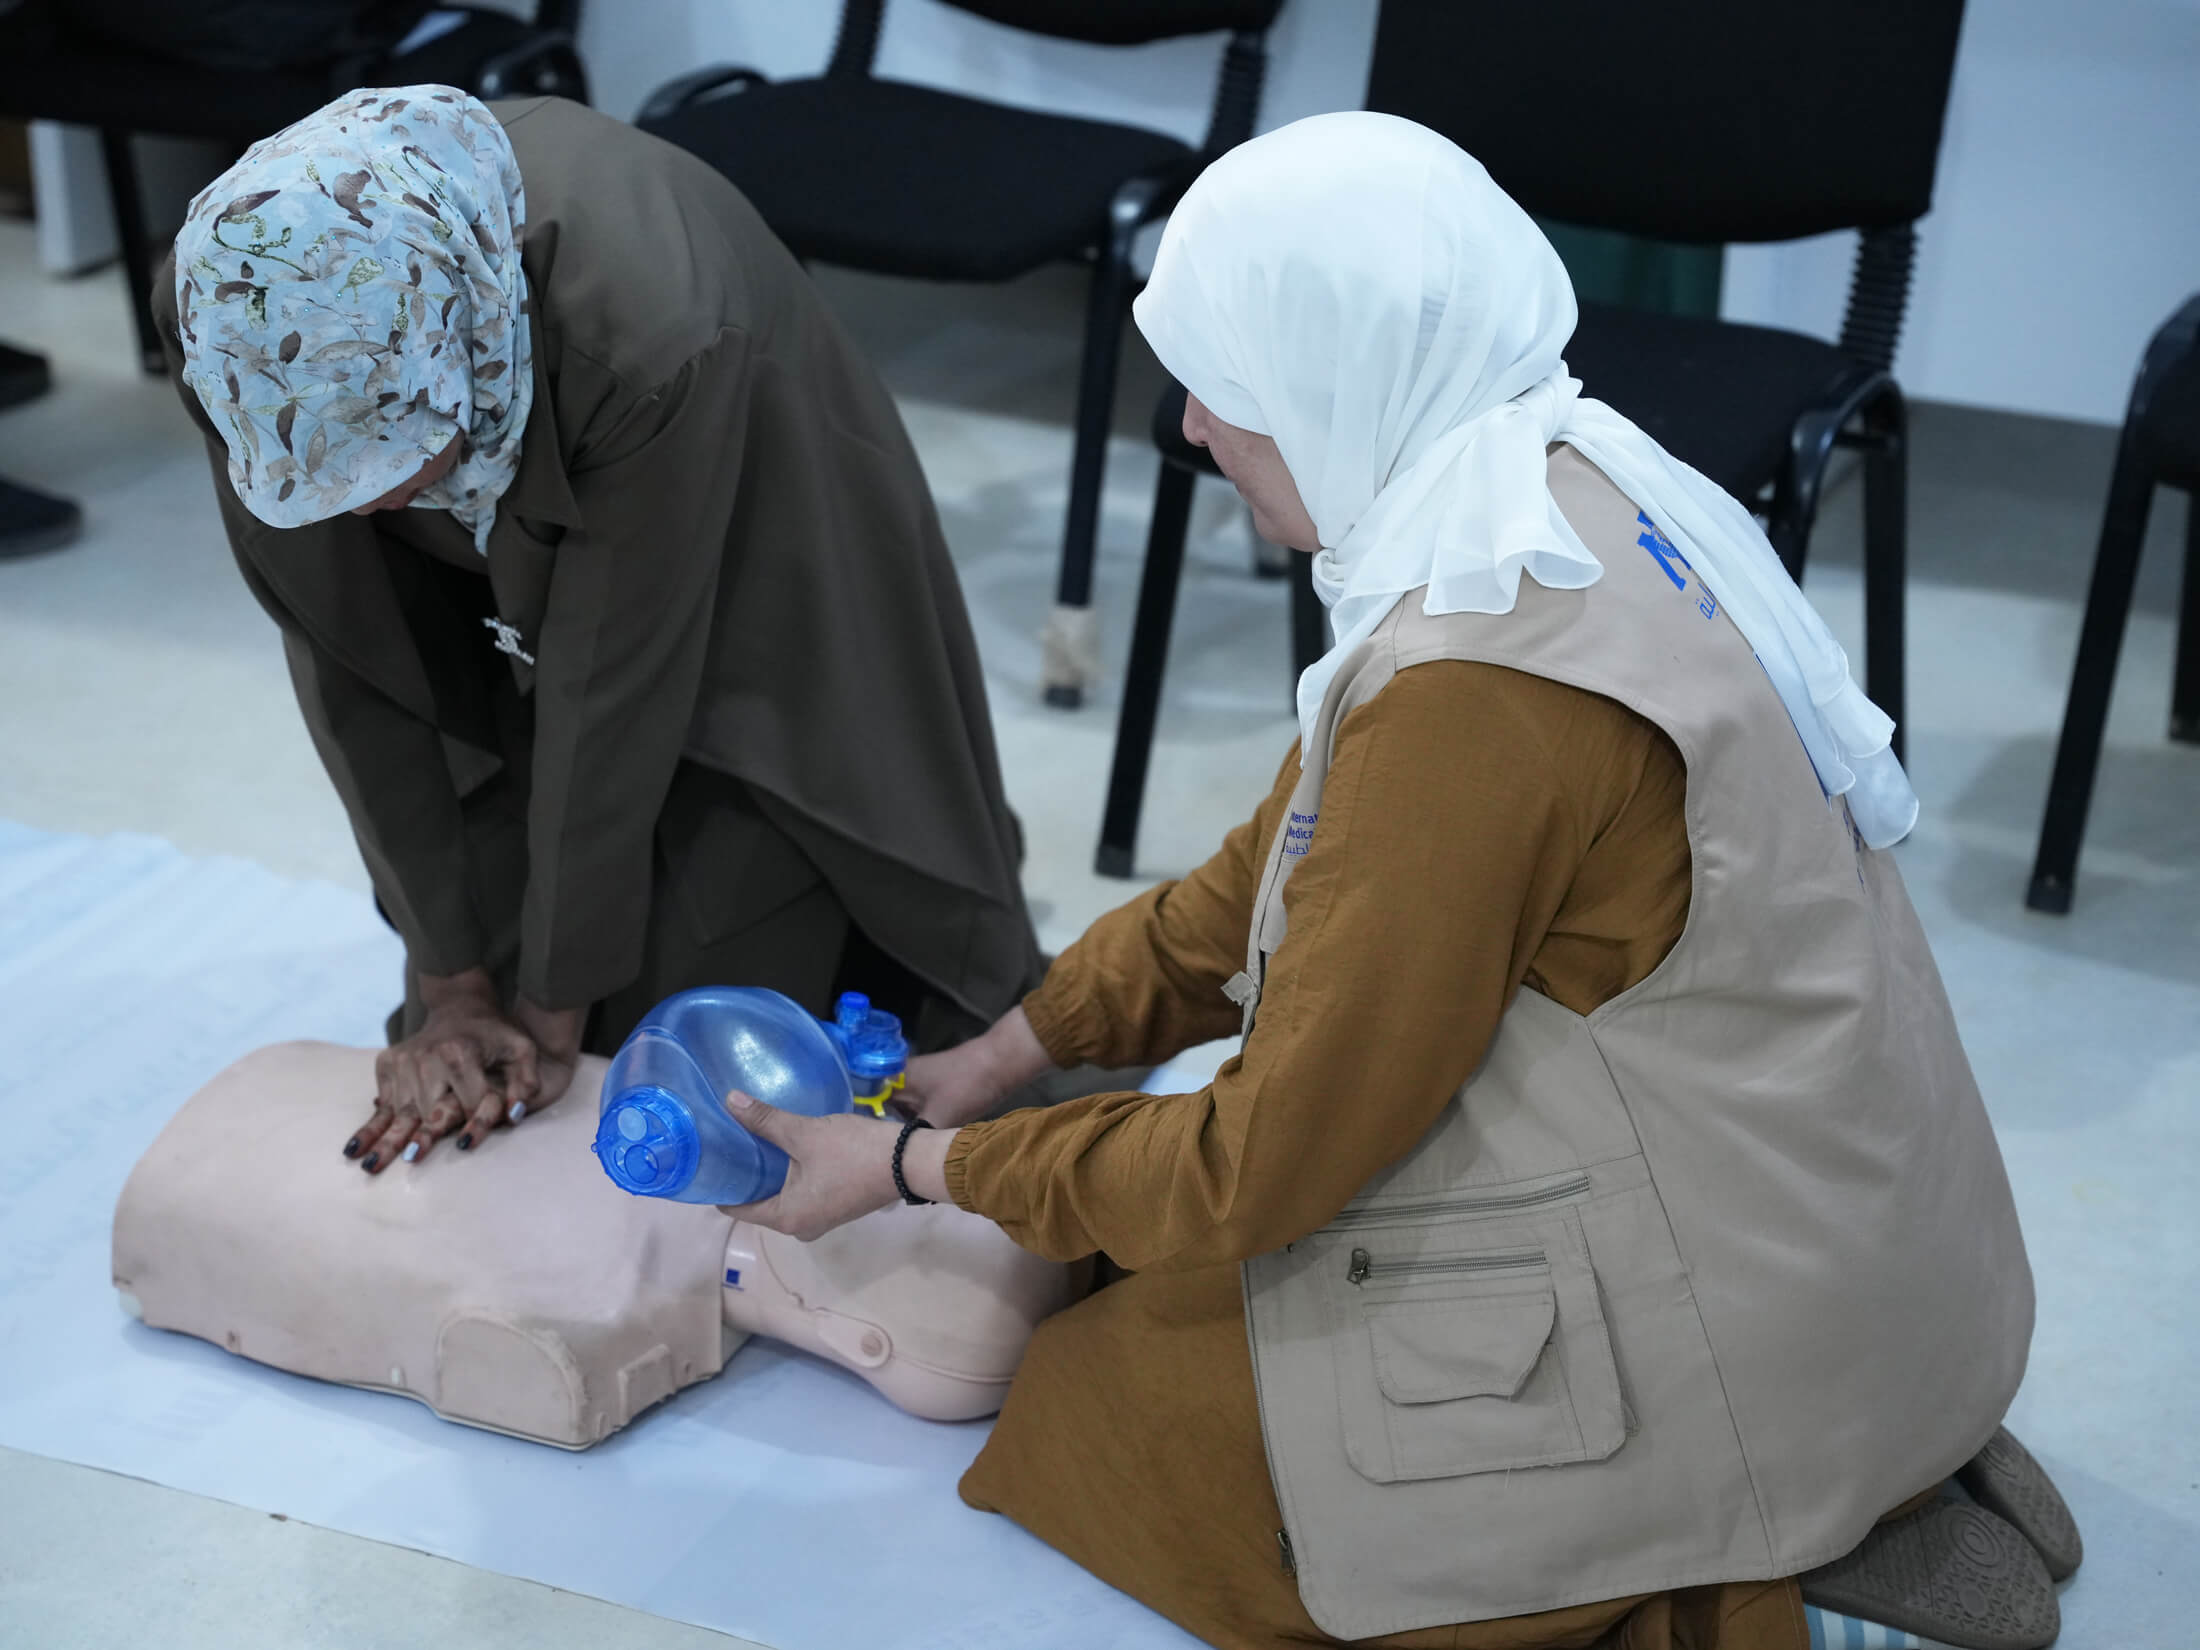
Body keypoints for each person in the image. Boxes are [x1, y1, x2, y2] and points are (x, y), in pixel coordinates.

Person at [719, 114, 2050, 1650]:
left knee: (1097, 1411)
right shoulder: (1558, 496)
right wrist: (1018, 1051)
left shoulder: (1471, 694)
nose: (1196, 426)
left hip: (1748, 1315)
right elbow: (1277, 864)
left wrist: (908, 1171)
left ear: (1339, 374)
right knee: (1111, 1266)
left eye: (1227, 381)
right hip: (1850, 1247)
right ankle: (1849, 1481)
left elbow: (1253, 1168)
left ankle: (1733, 1582)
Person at [153, 87, 1043, 1173]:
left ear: (466, 352)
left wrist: (551, 1006)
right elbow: (345, 649)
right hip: (524, 510)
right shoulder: (230, 312)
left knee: (681, 1058)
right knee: (463, 1029)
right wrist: (450, 984)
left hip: (745, 529)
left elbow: (610, 687)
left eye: (389, 465)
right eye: (326, 480)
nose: (362, 507)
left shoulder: (649, 331)